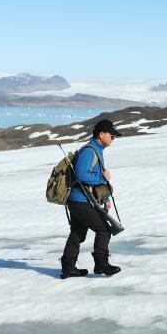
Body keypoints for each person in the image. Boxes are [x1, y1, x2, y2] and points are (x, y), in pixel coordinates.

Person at [60, 119, 122, 279]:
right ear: (101, 135)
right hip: (80, 201)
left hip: (79, 200)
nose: (113, 138)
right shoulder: (89, 151)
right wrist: (103, 178)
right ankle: (101, 264)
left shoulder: (96, 150)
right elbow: (82, 175)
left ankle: (68, 268)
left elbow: (94, 176)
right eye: (111, 135)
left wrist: (105, 197)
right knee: (104, 230)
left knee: (77, 233)